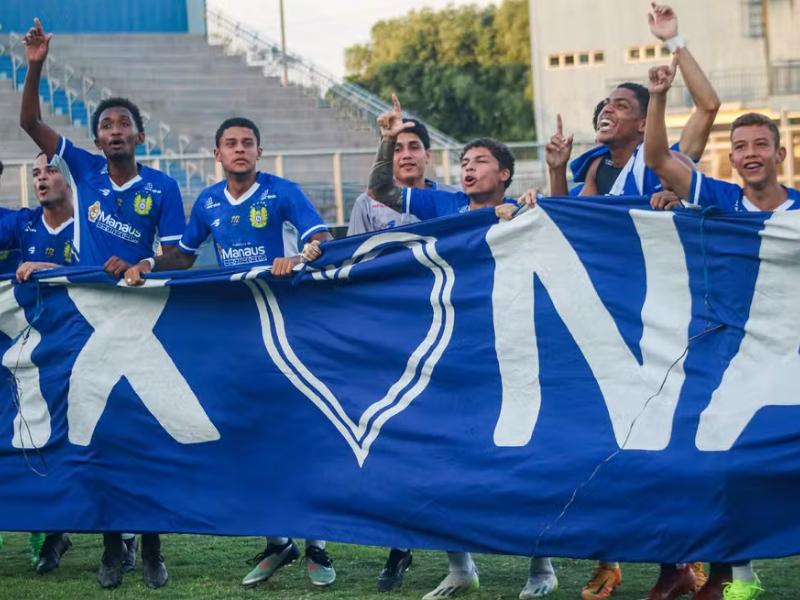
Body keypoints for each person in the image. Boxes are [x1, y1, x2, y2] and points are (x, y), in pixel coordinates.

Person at [122, 117, 335, 588]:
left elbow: (321, 239)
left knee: (296, 434)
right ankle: (278, 541)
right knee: (246, 434)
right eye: (230, 144)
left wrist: (300, 256)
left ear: (259, 151)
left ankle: (317, 543)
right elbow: (182, 257)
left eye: (247, 143)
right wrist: (145, 264)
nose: (239, 150)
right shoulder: (209, 201)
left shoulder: (282, 192)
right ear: (217, 155)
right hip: (235, 336)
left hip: (284, 329)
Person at [20, 18, 187, 590]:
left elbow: (181, 259)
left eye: (125, 125)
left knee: (146, 434)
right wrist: (37, 63)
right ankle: (112, 547)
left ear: (141, 136)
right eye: (106, 125)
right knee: (97, 434)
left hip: (142, 315)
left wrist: (143, 264)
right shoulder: (85, 171)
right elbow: (28, 122)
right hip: (85, 316)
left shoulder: (162, 187)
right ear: (95, 142)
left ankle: (153, 548)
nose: (115, 131)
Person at [368, 95, 555, 600]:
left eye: (481, 162)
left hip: (506, 350)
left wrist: (540, 200)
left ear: (507, 174)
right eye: (465, 162)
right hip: (446, 350)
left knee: (516, 458)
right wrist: (388, 139)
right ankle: (461, 566)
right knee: (440, 457)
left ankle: (541, 569)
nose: (469, 168)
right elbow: (381, 189)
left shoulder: (525, 213)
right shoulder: (446, 203)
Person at [644, 55, 787, 600]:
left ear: (779, 152)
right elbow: (657, 156)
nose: (750, 155)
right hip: (740, 355)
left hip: (792, 353)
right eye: (741, 147)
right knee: (724, 457)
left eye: (759, 145)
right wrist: (661, 90)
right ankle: (740, 580)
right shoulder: (724, 201)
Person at [347, 118, 458, 237]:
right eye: (397, 150)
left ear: (428, 155)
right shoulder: (366, 204)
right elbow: (354, 251)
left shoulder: (453, 196)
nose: (406, 155)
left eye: (414, 147)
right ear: (387, 158)